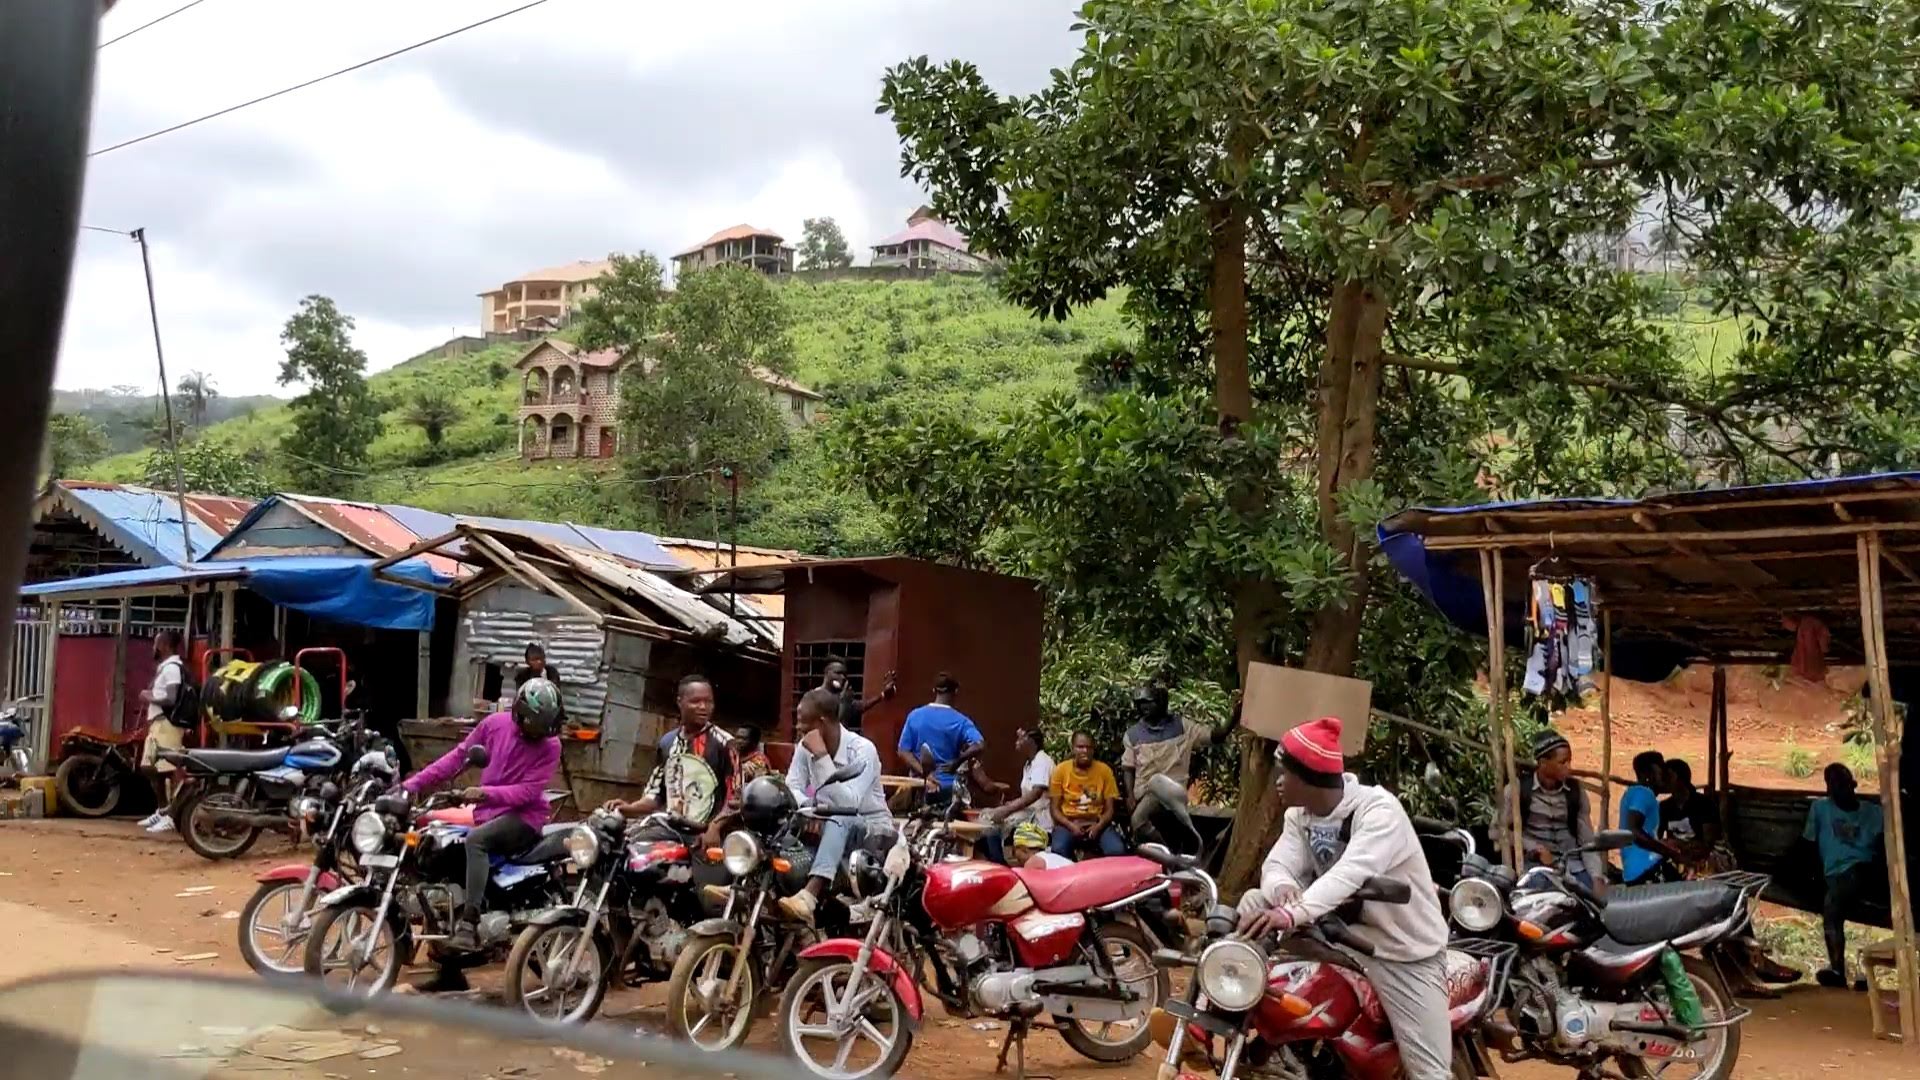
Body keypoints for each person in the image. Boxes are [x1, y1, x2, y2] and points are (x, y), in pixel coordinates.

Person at [1237, 716, 1452, 1080]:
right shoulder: (1298, 817)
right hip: (1336, 942)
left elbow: (1352, 872)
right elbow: (1276, 865)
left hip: (1400, 954)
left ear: (1308, 776)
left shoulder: (1379, 811)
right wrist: (1282, 891)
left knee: (1429, 1073)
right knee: (1254, 902)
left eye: (1284, 772)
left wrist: (1294, 912)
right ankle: (1216, 1014)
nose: (1277, 781)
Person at [402, 677, 563, 957]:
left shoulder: (551, 745)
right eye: (535, 726)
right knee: (443, 851)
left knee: (476, 841)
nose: (540, 734)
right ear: (519, 712)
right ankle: (449, 967)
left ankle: (469, 924)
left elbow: (528, 792)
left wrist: (485, 793)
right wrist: (411, 785)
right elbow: (457, 758)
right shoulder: (494, 725)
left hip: (524, 818)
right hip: (487, 812)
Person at [779, 686, 891, 925]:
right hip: (828, 824)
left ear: (821, 723)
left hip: (871, 832)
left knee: (843, 813)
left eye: (804, 725)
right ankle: (752, 882)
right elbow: (792, 787)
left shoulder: (862, 750)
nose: (799, 731)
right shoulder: (804, 746)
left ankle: (810, 893)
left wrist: (821, 756)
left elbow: (850, 803)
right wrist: (811, 807)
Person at [607, 675, 736, 841]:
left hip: (706, 835)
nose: (703, 707)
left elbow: (735, 799)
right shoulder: (667, 743)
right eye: (695, 701)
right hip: (671, 828)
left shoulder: (725, 743)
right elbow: (656, 795)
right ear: (680, 702)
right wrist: (628, 808)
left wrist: (715, 828)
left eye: (708, 701)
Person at [1493, 730, 1604, 890]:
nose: (1569, 767)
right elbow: (1496, 830)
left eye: (1569, 762)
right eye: (1562, 762)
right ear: (1543, 763)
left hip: (1573, 867)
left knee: (1592, 905)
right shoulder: (1518, 790)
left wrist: (1596, 877)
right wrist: (1534, 848)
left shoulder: (1575, 791)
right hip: (1537, 869)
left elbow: (1587, 842)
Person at [1806, 762, 1885, 989]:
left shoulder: (1873, 812)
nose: (1841, 789)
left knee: (1837, 899)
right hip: (1836, 875)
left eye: (1844, 784)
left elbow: (1882, 849)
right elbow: (1808, 843)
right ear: (1828, 789)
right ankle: (1840, 970)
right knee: (1834, 900)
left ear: (1854, 785)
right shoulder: (1820, 809)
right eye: (1835, 785)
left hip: (1864, 871)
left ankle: (1840, 971)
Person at [1118, 683, 1229, 809]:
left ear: (1161, 702)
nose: (1144, 707)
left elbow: (1214, 737)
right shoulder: (1132, 735)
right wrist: (1130, 797)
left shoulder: (1182, 727)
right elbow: (1128, 768)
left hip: (1172, 798)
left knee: (1140, 818)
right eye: (1141, 703)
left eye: (1148, 702)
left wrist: (1232, 720)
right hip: (1143, 797)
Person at [896, 672, 985, 798]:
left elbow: (903, 752)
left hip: (921, 787)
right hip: (949, 790)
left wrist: (925, 774)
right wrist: (957, 761)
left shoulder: (915, 716)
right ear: (956, 692)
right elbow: (980, 745)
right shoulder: (961, 721)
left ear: (934, 690)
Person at [136, 630, 188, 835]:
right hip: (158, 724)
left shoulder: (173, 669)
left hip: (168, 724)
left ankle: (172, 816)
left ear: (165, 646)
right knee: (150, 767)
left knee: (167, 768)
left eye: (156, 644)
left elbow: (172, 699)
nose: (153, 648)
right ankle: (162, 810)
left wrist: (150, 696)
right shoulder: (165, 668)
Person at [979, 725, 1054, 864]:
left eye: (1020, 738)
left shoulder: (1042, 761)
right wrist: (1010, 805)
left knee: (990, 822)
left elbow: (1035, 794)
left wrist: (1007, 810)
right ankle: (996, 860)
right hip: (1028, 813)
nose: (1016, 742)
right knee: (985, 816)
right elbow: (1027, 794)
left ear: (1031, 741)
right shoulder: (1029, 764)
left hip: (1039, 818)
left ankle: (999, 863)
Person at [1049, 732, 1124, 857]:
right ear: (1073, 748)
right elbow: (1054, 809)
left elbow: (1110, 809)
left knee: (1116, 850)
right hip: (1068, 823)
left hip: (1096, 822)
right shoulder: (1061, 770)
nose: (1085, 751)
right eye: (1080, 747)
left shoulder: (1104, 771)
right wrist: (1071, 826)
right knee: (1059, 850)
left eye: (1089, 747)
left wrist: (1098, 826)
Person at [1619, 750, 1682, 884]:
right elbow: (1634, 831)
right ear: (1650, 774)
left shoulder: (1634, 793)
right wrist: (1670, 853)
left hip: (1634, 870)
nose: (1665, 774)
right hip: (1646, 867)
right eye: (1662, 769)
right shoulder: (1644, 793)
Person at [820, 657, 895, 733]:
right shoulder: (815, 697)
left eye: (844, 674)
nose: (842, 677)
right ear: (827, 673)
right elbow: (835, 727)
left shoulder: (839, 695)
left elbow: (860, 706)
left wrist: (882, 695)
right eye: (838, 673)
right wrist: (844, 702)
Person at [733, 723, 772, 789]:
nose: (739, 741)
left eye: (744, 739)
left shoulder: (759, 761)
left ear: (754, 742)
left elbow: (760, 786)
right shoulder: (733, 755)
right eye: (737, 737)